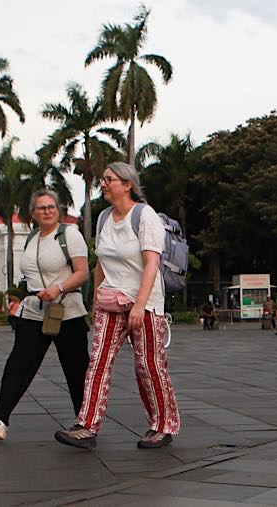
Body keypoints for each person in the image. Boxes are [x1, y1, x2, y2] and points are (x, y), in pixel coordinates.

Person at [54, 162, 179, 451]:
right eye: (103, 179)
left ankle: (163, 426)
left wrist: (139, 305)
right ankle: (87, 426)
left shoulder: (144, 215)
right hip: (110, 301)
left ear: (127, 184)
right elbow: (101, 263)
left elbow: (151, 264)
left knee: (148, 365)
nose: (104, 183)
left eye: (109, 179)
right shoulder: (103, 218)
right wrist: (96, 300)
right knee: (98, 362)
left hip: (145, 303)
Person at [0, 189, 90, 441]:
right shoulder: (32, 238)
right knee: (19, 363)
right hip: (34, 310)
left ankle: (86, 422)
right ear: (33, 213)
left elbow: (82, 272)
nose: (47, 211)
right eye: (41, 208)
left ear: (58, 210)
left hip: (66, 310)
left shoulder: (70, 235)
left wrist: (58, 287)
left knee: (76, 369)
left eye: (51, 207)